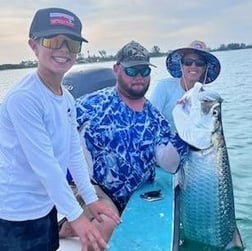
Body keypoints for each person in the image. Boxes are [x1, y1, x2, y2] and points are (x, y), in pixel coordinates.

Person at [0, 7, 120, 251]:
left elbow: (72, 150)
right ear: (33, 45)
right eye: (54, 40)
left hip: (46, 206)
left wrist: (90, 199)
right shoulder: (23, 98)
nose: (64, 49)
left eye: (72, 43)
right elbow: (45, 165)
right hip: (15, 213)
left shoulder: (65, 98)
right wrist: (76, 217)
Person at [59, 40, 188, 242]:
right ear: (117, 69)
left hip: (135, 194)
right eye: (132, 71)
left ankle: (70, 227)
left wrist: (186, 128)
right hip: (92, 187)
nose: (139, 77)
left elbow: (169, 165)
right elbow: (53, 130)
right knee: (107, 222)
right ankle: (72, 224)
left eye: (144, 71)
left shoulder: (155, 118)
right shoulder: (90, 104)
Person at [149, 40, 221, 133]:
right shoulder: (164, 87)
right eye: (188, 62)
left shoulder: (206, 100)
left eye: (199, 63)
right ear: (181, 65)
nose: (193, 66)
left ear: (204, 68)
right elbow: (150, 120)